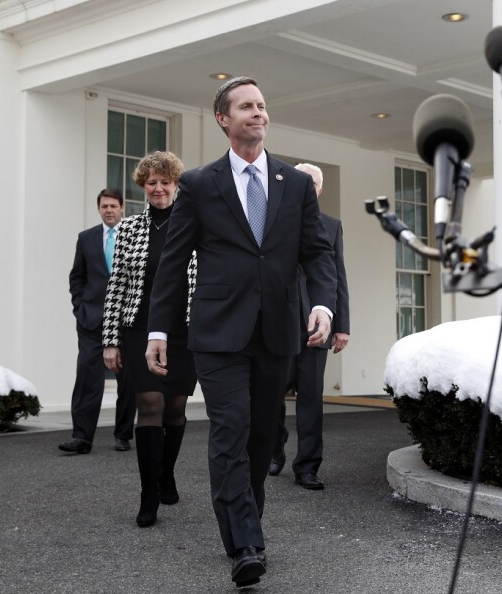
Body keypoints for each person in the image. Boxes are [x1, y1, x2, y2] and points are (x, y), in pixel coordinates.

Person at [145, 76, 336, 588]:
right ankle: (245, 543)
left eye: (263, 106)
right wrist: (158, 329)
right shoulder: (201, 184)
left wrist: (322, 304)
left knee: (260, 437)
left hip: (278, 330)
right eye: (246, 107)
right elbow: (172, 261)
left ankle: (245, 519)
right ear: (223, 120)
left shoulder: (294, 184)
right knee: (230, 430)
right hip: (217, 332)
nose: (258, 113)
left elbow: (317, 251)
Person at [102, 151, 198, 528]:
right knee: (150, 403)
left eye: (165, 181)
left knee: (175, 408)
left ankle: (167, 474)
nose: (158, 188)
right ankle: (148, 497)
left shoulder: (194, 225)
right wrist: (110, 340)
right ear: (143, 187)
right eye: (151, 182)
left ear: (176, 184)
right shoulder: (128, 229)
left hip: (183, 328)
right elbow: (116, 286)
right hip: (138, 326)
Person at [268, 163, 350, 491]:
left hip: (318, 326)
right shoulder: (273, 220)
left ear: (319, 189)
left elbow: (338, 278)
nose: (305, 187)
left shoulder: (331, 226)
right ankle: (274, 450)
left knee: (311, 398)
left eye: (311, 183)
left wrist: (341, 325)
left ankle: (308, 466)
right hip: (279, 323)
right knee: (272, 395)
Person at [60, 189, 136, 455]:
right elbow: (77, 277)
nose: (109, 210)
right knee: (88, 378)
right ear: (98, 209)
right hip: (91, 321)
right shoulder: (87, 238)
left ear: (122, 207)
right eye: (104, 206)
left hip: (127, 321)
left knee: (128, 380)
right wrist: (80, 308)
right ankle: (82, 436)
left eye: (113, 206)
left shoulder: (135, 236)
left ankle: (123, 434)